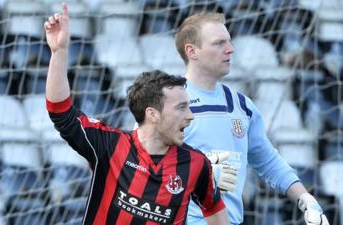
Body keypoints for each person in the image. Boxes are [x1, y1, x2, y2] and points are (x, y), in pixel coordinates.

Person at [44, 3, 230, 225]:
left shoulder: (197, 164)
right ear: (153, 114)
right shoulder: (109, 146)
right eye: (181, 107)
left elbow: (215, 209)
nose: (190, 116)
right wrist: (59, 52)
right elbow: (60, 111)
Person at [174, 12, 330, 225]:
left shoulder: (242, 106)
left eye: (229, 41)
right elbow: (141, 168)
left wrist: (305, 199)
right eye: (219, 43)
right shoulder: (167, 104)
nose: (230, 49)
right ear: (192, 51)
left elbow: (267, 160)